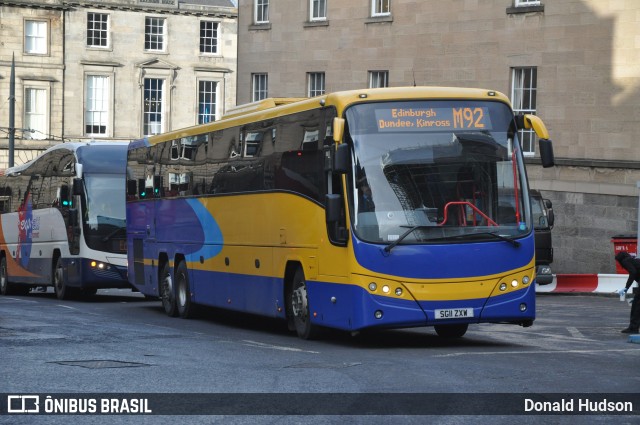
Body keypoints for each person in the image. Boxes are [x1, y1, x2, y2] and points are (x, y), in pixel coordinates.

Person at [614, 251, 640, 334]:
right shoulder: (633, 260)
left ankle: (633, 328)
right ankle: (633, 327)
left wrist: (626, 288)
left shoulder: (626, 261)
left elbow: (633, 272)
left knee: (636, 307)